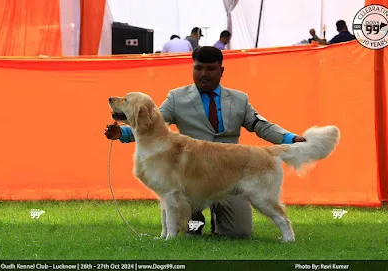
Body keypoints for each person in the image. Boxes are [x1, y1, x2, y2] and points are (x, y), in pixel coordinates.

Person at [104, 46, 306, 238]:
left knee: (238, 233)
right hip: (194, 176)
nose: (204, 73)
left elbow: (261, 125)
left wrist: (289, 138)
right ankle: (195, 220)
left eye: (210, 69)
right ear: (192, 69)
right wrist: (122, 133)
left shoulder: (239, 99)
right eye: (198, 68)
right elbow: (152, 122)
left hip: (230, 172)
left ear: (221, 70)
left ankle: (221, 220)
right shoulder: (177, 97)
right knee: (192, 229)